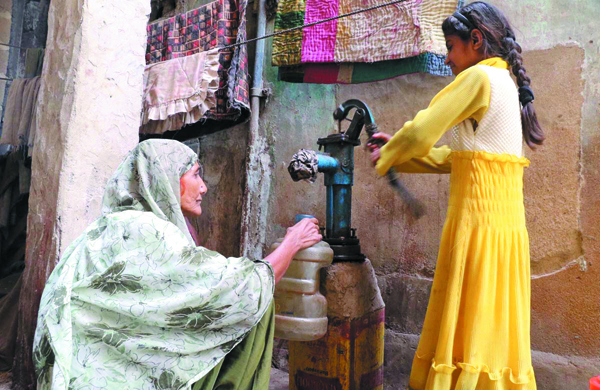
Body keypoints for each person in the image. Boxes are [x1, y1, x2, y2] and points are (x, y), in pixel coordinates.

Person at [32, 139, 322, 390]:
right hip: (104, 374)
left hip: (77, 368)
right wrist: (292, 243)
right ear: (165, 179)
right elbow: (239, 287)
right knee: (256, 303)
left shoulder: (110, 225)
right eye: (195, 175)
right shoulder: (150, 231)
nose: (204, 187)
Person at [369, 2, 543, 389]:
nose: (447, 57)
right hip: (505, 236)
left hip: (477, 231)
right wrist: (397, 151)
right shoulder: (508, 86)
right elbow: (463, 159)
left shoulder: (479, 77)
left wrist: (393, 154)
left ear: (476, 41)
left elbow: (421, 131)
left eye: (450, 46)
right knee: (491, 334)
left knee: (469, 331)